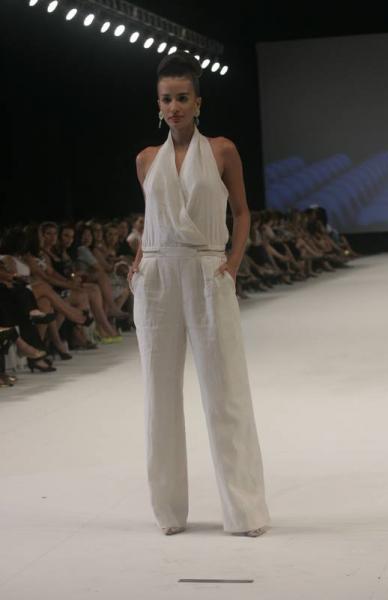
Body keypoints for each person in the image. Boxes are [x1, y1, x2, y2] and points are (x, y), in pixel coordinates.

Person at [128, 52, 271, 537]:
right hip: (157, 278)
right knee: (158, 397)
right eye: (166, 99)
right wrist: (140, 257)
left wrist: (233, 263)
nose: (174, 107)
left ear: (198, 102)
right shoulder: (147, 159)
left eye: (182, 98)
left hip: (208, 269)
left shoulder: (223, 151)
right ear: (158, 104)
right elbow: (155, 215)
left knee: (226, 391)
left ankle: (245, 511)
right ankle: (169, 512)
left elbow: (243, 212)